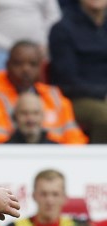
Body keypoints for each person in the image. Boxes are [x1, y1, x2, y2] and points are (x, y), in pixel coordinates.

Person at [0, 41, 87, 145]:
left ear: (41, 67)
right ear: (7, 65)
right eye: (18, 63)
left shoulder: (54, 96)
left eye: (32, 64)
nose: (26, 69)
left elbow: (75, 140)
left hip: (57, 164)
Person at [49, 0, 107, 143]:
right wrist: (103, 93)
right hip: (77, 98)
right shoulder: (62, 29)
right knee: (104, 117)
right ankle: (97, 162)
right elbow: (67, 81)